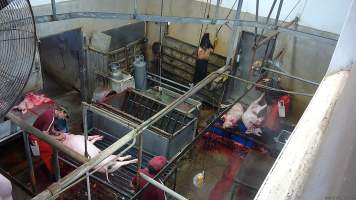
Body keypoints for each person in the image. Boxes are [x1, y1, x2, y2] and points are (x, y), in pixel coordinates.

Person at [29, 105, 68, 179]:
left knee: (41, 153)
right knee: (44, 154)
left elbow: (50, 128)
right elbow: (44, 136)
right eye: (64, 116)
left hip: (35, 133)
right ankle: (51, 174)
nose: (63, 118)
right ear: (62, 112)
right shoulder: (51, 119)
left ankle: (41, 164)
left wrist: (55, 132)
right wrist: (58, 137)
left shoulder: (51, 112)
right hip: (35, 138)